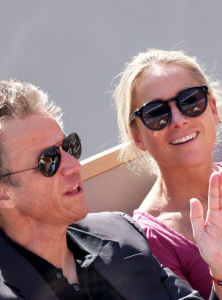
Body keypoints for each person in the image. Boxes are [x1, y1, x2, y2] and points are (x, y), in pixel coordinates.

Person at [0, 79, 221, 300]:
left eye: (69, 146)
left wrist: (219, 272)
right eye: (48, 160)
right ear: (0, 194)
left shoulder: (122, 233)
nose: (73, 165)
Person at [114, 49, 222, 299]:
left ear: (213, 109)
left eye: (191, 100)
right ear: (138, 137)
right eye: (155, 113)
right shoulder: (149, 243)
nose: (178, 119)